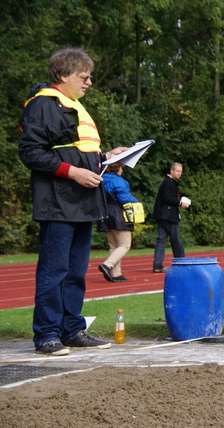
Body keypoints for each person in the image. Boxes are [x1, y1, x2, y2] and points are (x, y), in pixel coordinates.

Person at [18, 47, 128, 355]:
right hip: (57, 201)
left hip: (82, 201)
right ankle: (47, 334)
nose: (89, 82)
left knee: (76, 271)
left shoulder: (73, 105)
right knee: (54, 271)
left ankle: (72, 329)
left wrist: (106, 157)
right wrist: (74, 172)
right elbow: (30, 152)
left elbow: (74, 151)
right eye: (84, 76)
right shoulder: (42, 104)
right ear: (63, 75)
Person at [98, 162, 138, 283]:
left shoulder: (100, 179)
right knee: (125, 245)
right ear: (117, 169)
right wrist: (136, 202)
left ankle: (116, 274)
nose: (122, 170)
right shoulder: (119, 181)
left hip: (104, 213)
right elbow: (124, 198)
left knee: (113, 245)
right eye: (121, 168)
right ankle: (107, 265)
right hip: (117, 213)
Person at [152, 162, 188, 272]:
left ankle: (157, 265)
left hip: (161, 215)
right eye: (177, 171)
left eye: (180, 172)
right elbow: (167, 198)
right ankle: (181, 261)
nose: (179, 174)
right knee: (175, 239)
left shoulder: (167, 182)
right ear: (171, 171)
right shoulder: (169, 183)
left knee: (161, 240)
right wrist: (179, 203)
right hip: (168, 216)